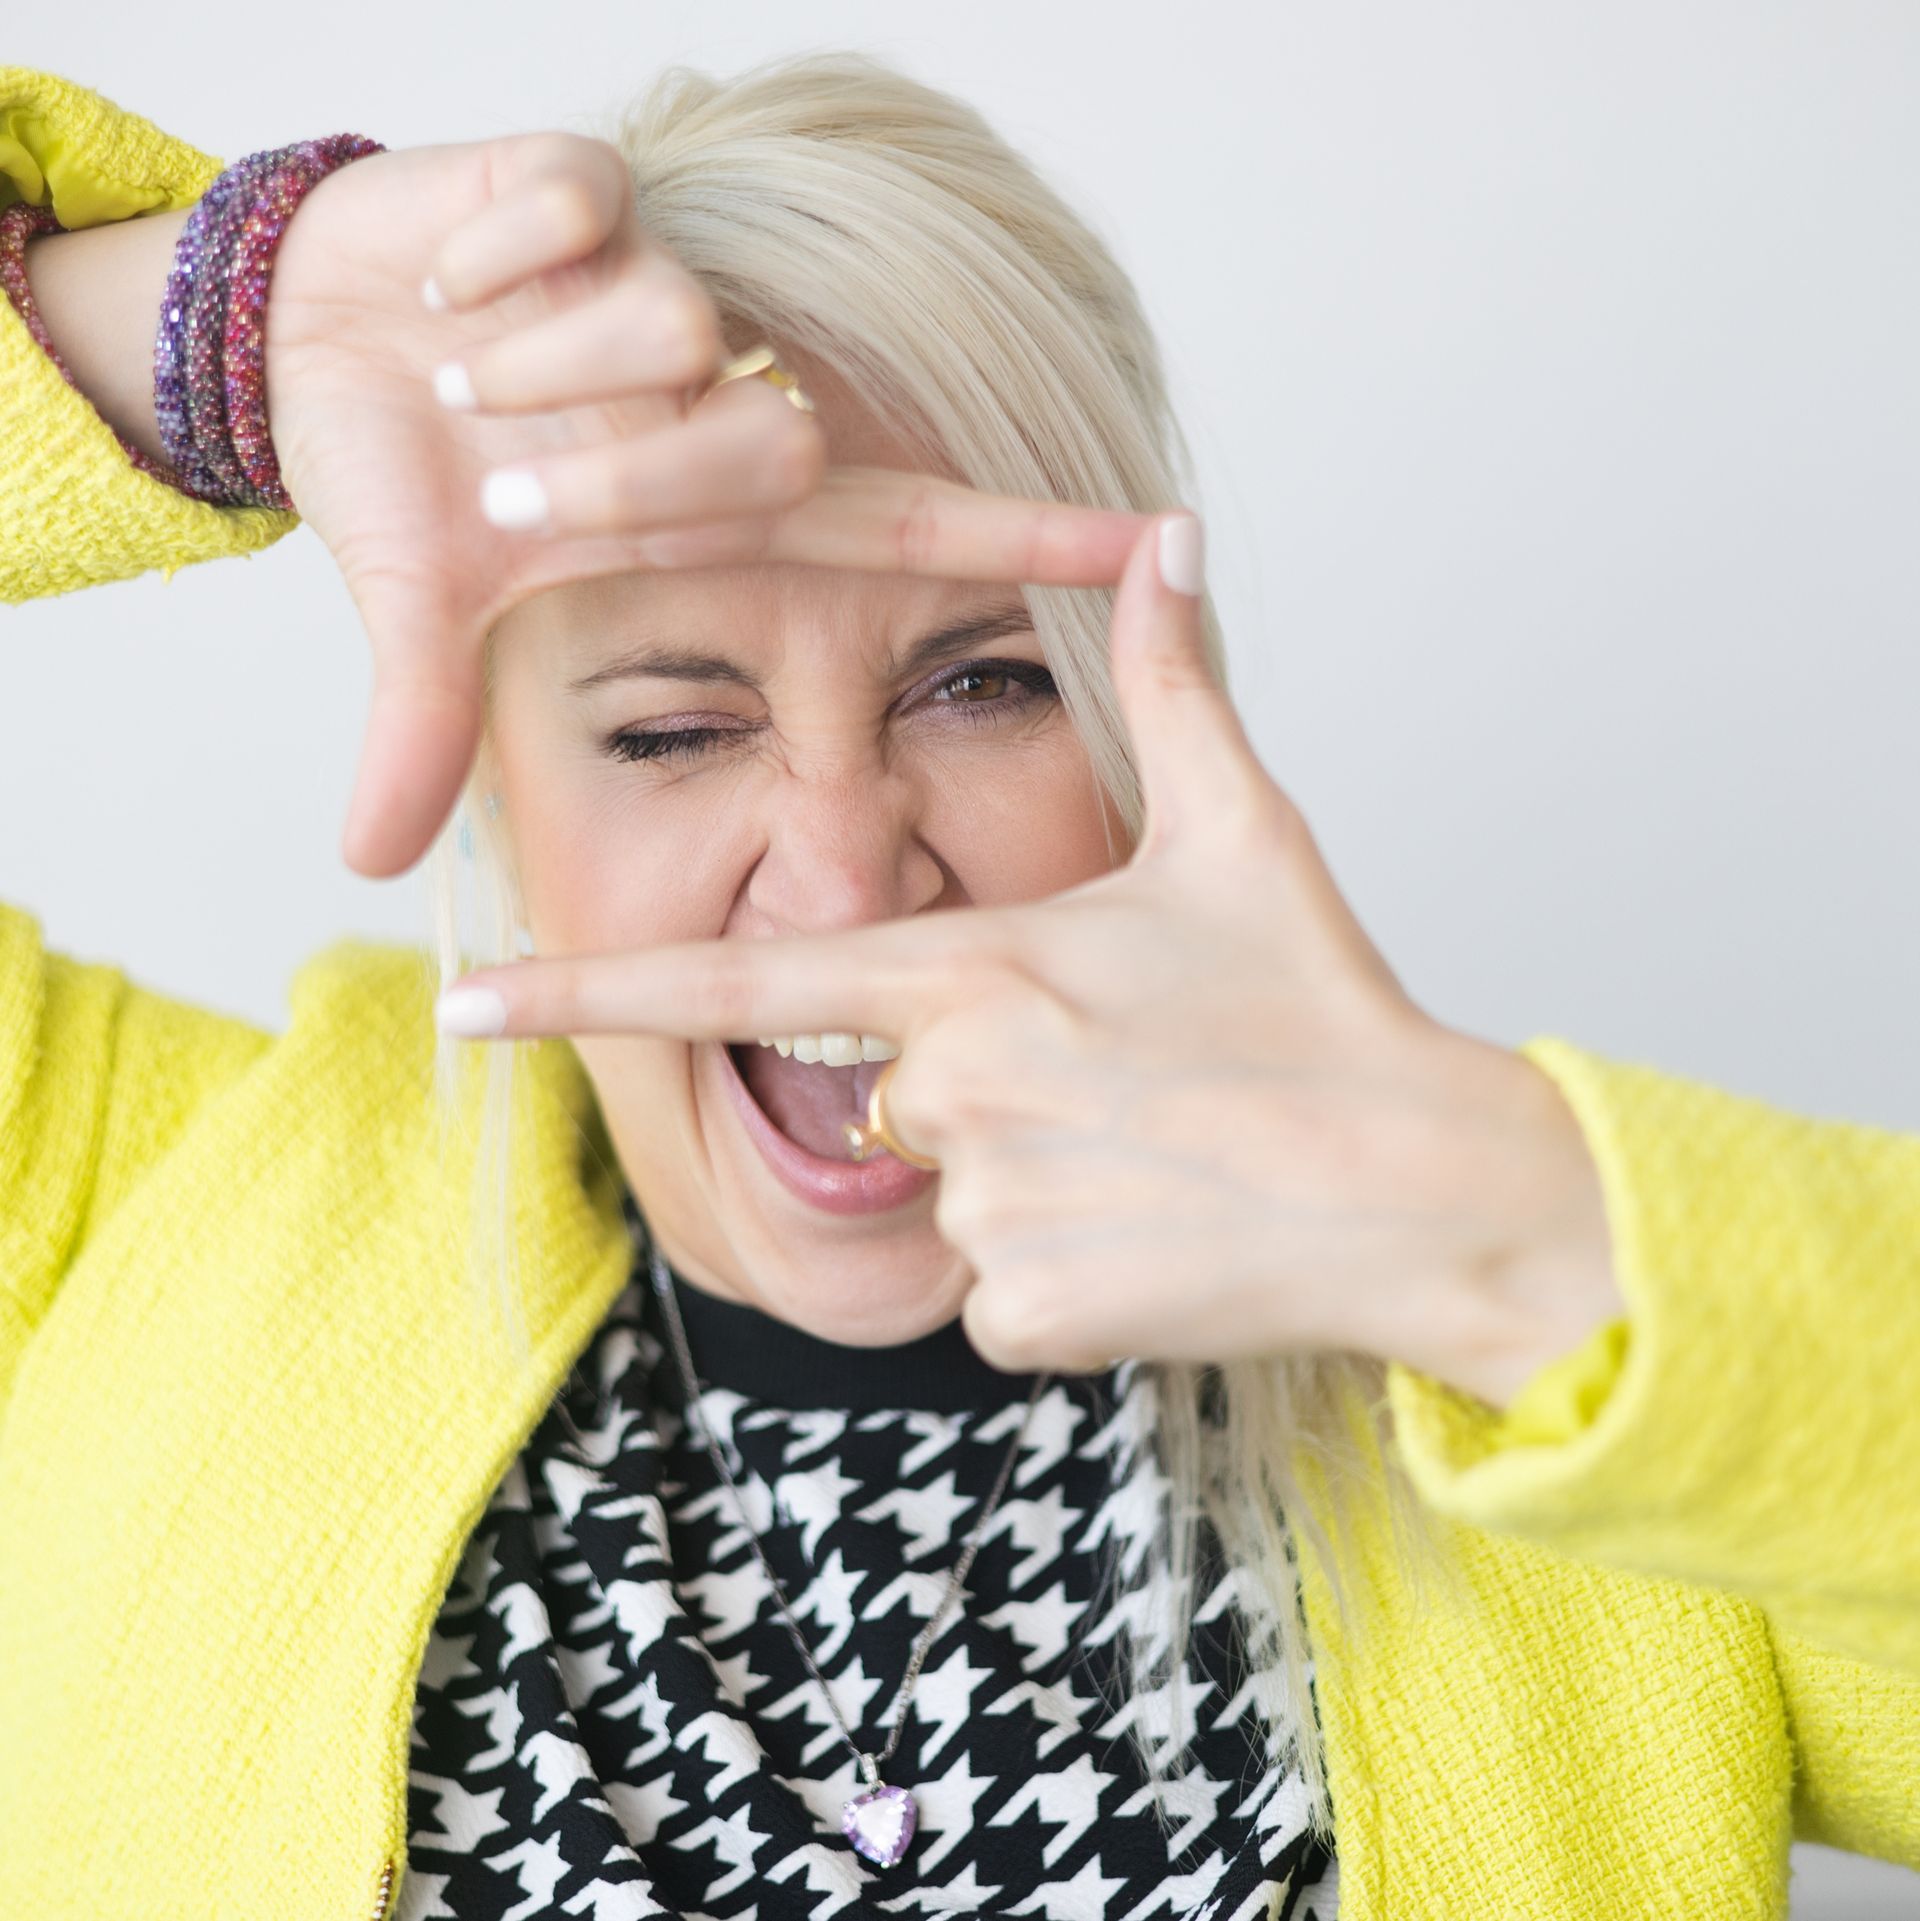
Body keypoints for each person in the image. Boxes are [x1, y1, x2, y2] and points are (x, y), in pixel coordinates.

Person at [0, 50, 1914, 1921]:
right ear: (498, 796)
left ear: (1153, 731)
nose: (846, 877)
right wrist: (203, 330)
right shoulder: (125, 1198)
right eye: (674, 727)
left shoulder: (1571, 1390)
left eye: (984, 683)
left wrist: (1510, 1227)